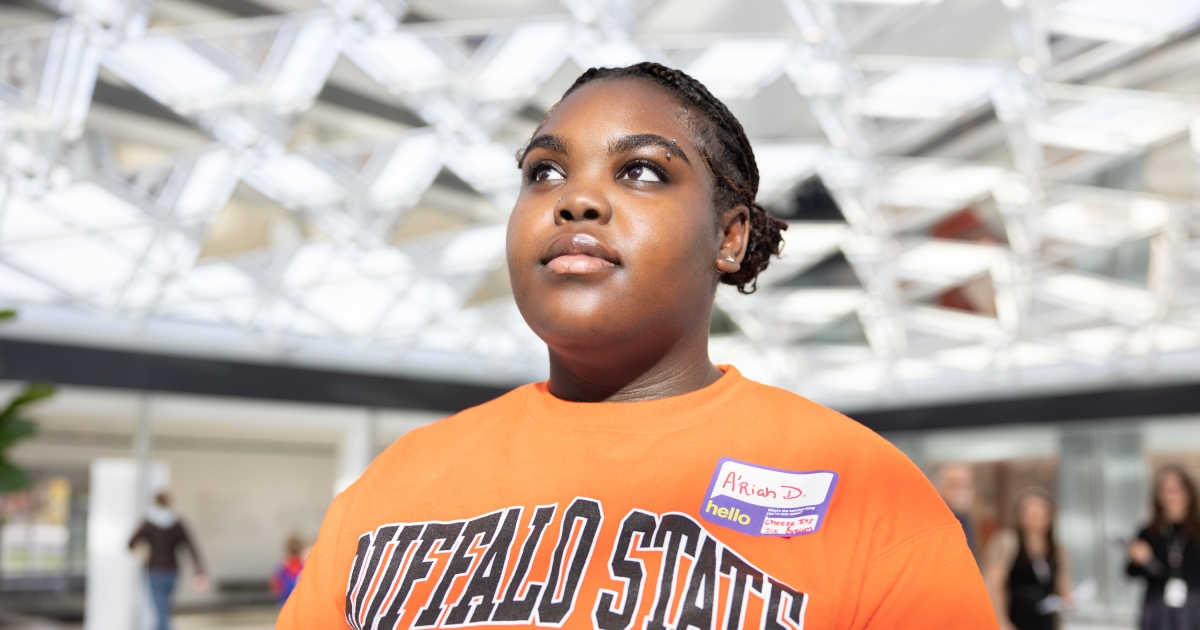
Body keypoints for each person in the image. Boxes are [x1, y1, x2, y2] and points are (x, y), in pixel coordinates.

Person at [279, 62, 994, 629]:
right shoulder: (390, 488)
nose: (576, 200)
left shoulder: (866, 492)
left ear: (729, 236)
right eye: (544, 172)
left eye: (642, 170)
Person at [983, 489, 1073, 630]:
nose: (1036, 519)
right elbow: (994, 586)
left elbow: (1062, 582)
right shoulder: (1007, 542)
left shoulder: (1056, 549)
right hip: (1016, 617)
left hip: (1046, 619)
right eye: (1031, 514)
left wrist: (1068, 599)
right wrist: (1002, 622)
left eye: (1041, 514)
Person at [1127, 465, 1200, 629]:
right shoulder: (1150, 532)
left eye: (1175, 490)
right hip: (1158, 608)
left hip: (1193, 608)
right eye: (1164, 491)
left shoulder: (1197, 531)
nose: (1169, 496)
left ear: (1188, 493)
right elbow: (1131, 572)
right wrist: (1142, 560)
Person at [128, 492, 208, 630]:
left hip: (155, 571)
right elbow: (192, 547)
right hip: (172, 572)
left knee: (161, 611)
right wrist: (199, 571)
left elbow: (130, 543)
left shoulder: (149, 522)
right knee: (163, 609)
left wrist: (144, 553)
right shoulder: (177, 523)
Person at [937, 462, 978, 558]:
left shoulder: (966, 520)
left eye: (967, 486)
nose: (962, 492)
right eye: (955, 485)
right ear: (940, 488)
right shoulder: (937, 524)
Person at [270, 532, 306, 607]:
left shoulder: (283, 564)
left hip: (286, 599)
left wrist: (277, 594)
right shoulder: (304, 564)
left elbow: (275, 582)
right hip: (296, 599)